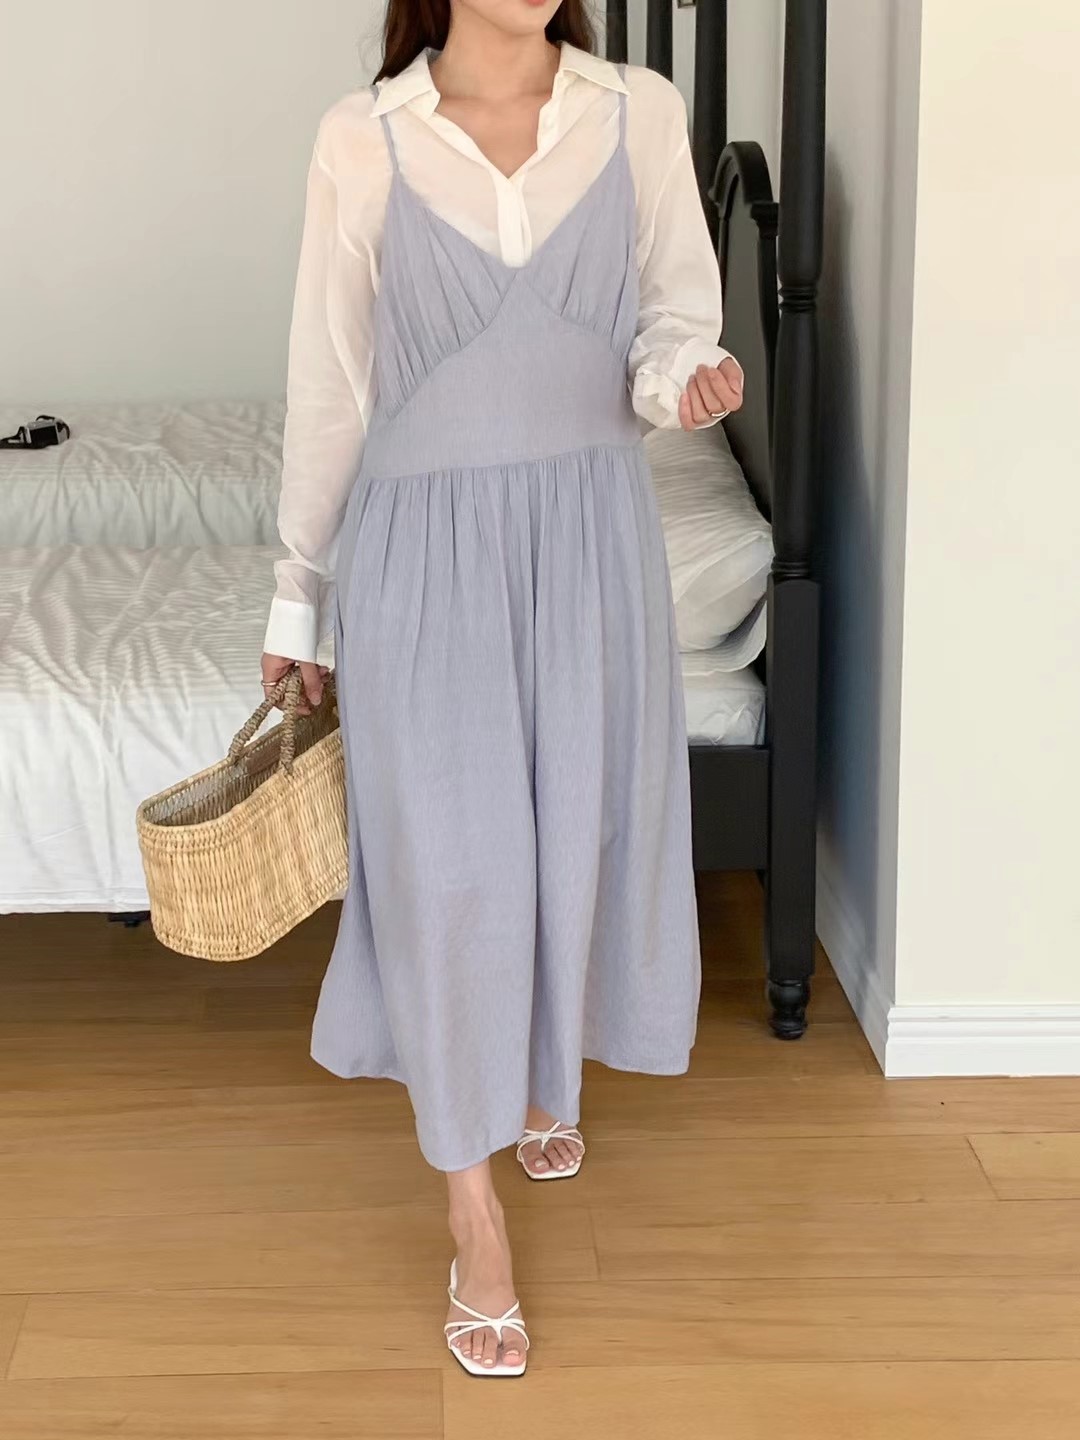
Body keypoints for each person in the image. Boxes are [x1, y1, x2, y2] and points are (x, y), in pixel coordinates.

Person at [261, 0, 743, 1377]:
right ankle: (473, 1218)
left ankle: (544, 1077)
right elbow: (331, 383)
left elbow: (674, 312)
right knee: (455, 868)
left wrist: (683, 378)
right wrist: (299, 592)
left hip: (592, 538)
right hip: (424, 550)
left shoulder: (637, 111)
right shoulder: (363, 139)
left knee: (578, 825)